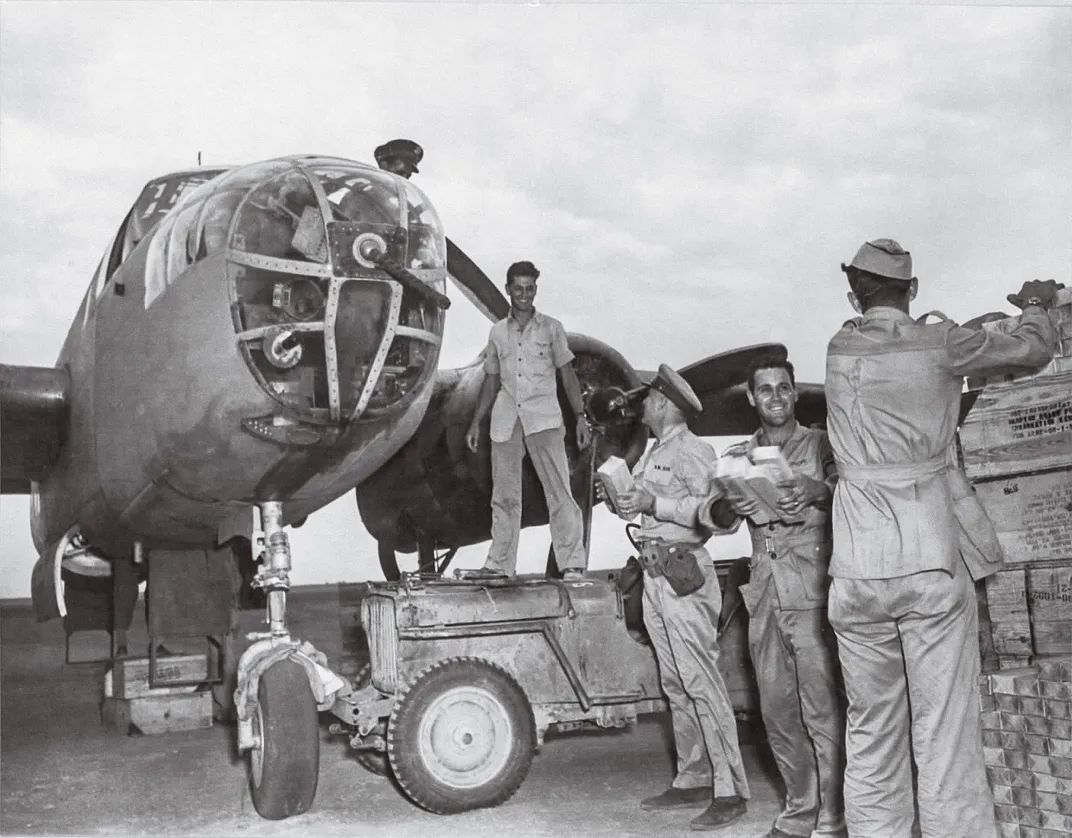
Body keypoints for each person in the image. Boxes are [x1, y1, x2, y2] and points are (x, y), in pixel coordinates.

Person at [824, 238, 1061, 838]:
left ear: (855, 294)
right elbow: (1032, 351)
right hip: (926, 560)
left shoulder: (840, 345)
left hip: (853, 572)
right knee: (943, 734)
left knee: (871, 736)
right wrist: (1035, 304)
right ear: (914, 290)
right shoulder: (941, 341)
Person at [709, 355, 846, 838]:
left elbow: (846, 490)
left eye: (783, 388)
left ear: (794, 393)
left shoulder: (822, 443)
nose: (775, 397)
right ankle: (799, 808)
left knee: (822, 709)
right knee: (777, 711)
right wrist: (732, 501)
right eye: (765, 389)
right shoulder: (739, 454)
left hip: (811, 587)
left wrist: (811, 489)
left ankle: (833, 816)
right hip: (764, 591)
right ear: (751, 397)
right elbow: (715, 517)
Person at [611, 364, 750, 831]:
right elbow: (647, 506)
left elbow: (714, 514)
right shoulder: (653, 455)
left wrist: (656, 504)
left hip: (684, 572)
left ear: (667, 404)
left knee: (702, 683)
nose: (642, 406)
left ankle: (731, 790)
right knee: (676, 685)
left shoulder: (694, 450)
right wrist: (622, 498)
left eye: (649, 398)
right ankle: (693, 777)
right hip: (654, 574)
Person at [464, 261, 590, 580]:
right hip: (506, 420)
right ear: (508, 289)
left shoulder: (552, 329)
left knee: (559, 491)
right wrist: (476, 421)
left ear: (536, 289)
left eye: (529, 288)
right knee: (504, 495)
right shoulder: (496, 333)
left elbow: (568, 374)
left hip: (544, 419)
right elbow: (491, 380)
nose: (524, 295)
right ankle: (499, 565)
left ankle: (572, 563)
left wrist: (580, 418)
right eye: (517, 288)